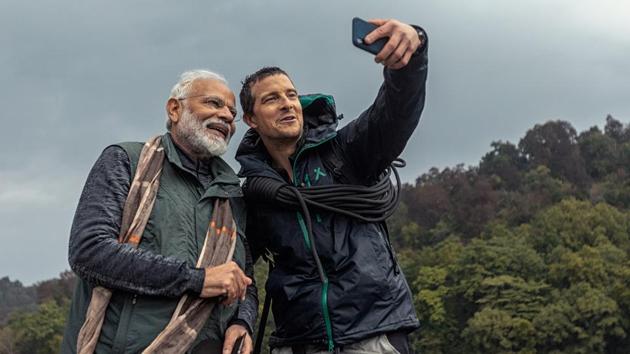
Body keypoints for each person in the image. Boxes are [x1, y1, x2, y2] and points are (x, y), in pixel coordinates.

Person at [236, 19, 428, 354]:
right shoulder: (252, 191)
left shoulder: (347, 151)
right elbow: (240, 269)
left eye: (291, 95)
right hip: (298, 341)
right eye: (271, 99)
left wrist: (412, 56)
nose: (286, 103)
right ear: (251, 120)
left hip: (373, 333)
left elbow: (396, 113)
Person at [61, 70, 257, 354]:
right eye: (214, 104)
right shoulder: (126, 161)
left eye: (232, 111)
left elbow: (244, 279)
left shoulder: (232, 194)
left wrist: (243, 321)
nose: (227, 116)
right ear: (175, 109)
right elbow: (89, 251)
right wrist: (196, 279)